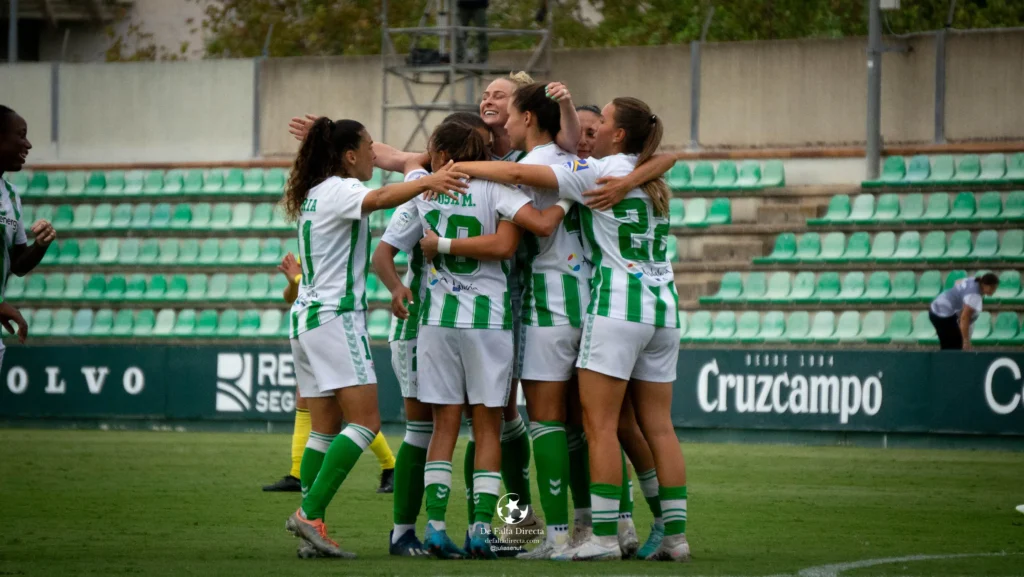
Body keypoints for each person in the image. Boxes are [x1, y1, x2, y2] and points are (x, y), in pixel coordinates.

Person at [450, 96, 692, 562]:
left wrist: (465, 169)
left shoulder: (585, 171)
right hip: (663, 308)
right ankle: (662, 532)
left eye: (599, 122)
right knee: (647, 427)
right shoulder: (645, 174)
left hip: (586, 306)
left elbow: (523, 188)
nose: (590, 131)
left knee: (568, 424)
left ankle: (575, 534)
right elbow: (667, 156)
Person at [281, 117, 468, 559]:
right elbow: (381, 197)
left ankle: (315, 524)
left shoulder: (313, 192)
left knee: (323, 428)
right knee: (365, 423)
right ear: (348, 155)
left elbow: (386, 175)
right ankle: (309, 513)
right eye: (367, 148)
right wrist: (432, 181)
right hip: (335, 316)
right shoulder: (342, 189)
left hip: (305, 318)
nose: (372, 155)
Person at [409, 120, 573, 560]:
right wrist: (567, 200)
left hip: (436, 322)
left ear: (442, 153)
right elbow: (509, 244)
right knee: (487, 428)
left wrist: (437, 244)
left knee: (443, 427)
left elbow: (400, 170)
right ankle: (481, 529)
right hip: (488, 321)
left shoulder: (424, 189)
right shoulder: (495, 190)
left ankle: (436, 528)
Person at [263, 252, 397, 494]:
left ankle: (390, 466)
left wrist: (296, 279)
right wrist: (292, 281)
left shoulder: (329, 249)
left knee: (350, 411)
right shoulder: (309, 249)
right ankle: (296, 473)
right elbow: (291, 297)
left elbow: (321, 291)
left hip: (330, 325)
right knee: (304, 398)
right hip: (310, 325)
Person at [0, 105, 54, 370]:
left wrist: (40, 245)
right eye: (20, 135)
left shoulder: (10, 195)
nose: (28, 144)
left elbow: (18, 263)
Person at [928, 272, 1000, 350]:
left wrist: (958, 297)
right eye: (992, 288)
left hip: (935, 308)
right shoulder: (974, 296)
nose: (994, 291)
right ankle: (951, 361)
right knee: (956, 344)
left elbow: (957, 282)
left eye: (995, 288)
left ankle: (945, 360)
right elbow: (964, 318)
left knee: (947, 344)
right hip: (942, 314)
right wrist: (965, 341)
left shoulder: (973, 280)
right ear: (984, 285)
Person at [455, 0, 489, 64]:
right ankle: (459, 58)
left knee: (482, 32)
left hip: (479, 5)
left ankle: (483, 59)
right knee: (460, 33)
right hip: (463, 4)